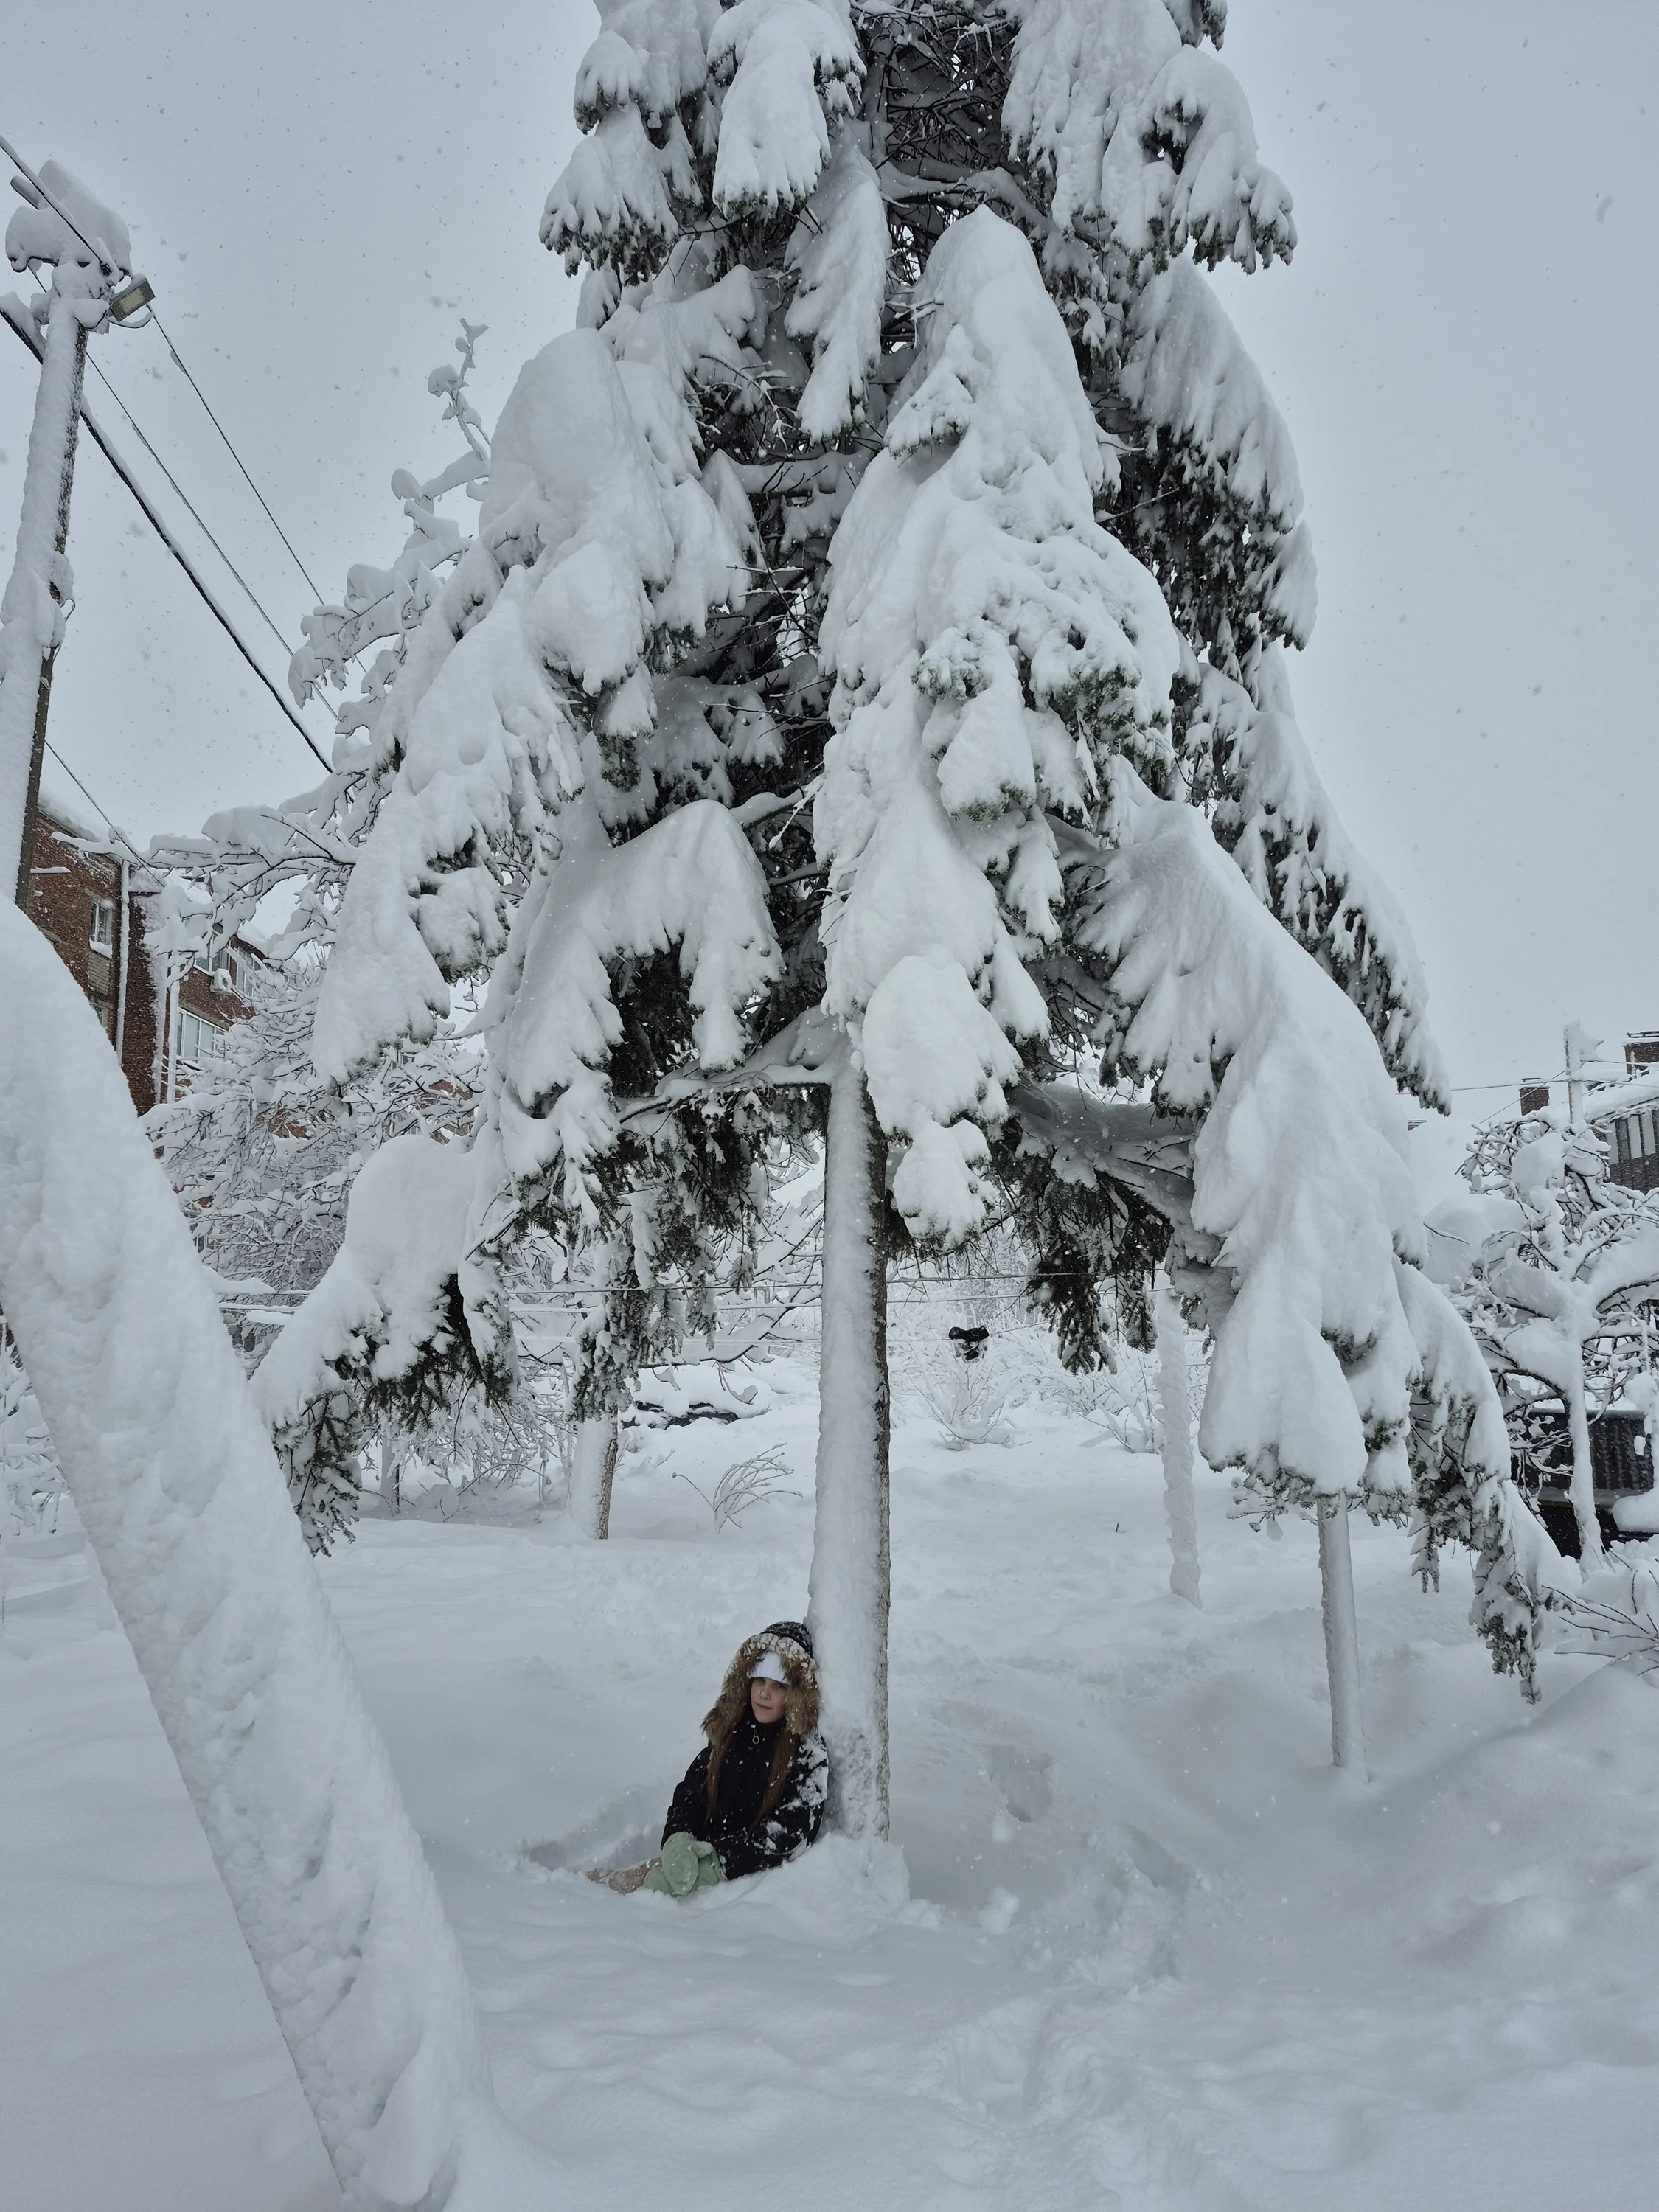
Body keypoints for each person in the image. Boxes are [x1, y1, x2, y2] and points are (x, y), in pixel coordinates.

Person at [600, 1621, 829, 1896]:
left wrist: (717, 1862)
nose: (764, 1693)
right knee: (604, 1888)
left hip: (736, 1884)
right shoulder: (734, 1730)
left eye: (778, 1685)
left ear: (797, 1695)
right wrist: (678, 1839)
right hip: (694, 1861)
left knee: (634, 1901)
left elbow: (791, 1830)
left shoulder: (806, 1753)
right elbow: (692, 1793)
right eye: (759, 1680)